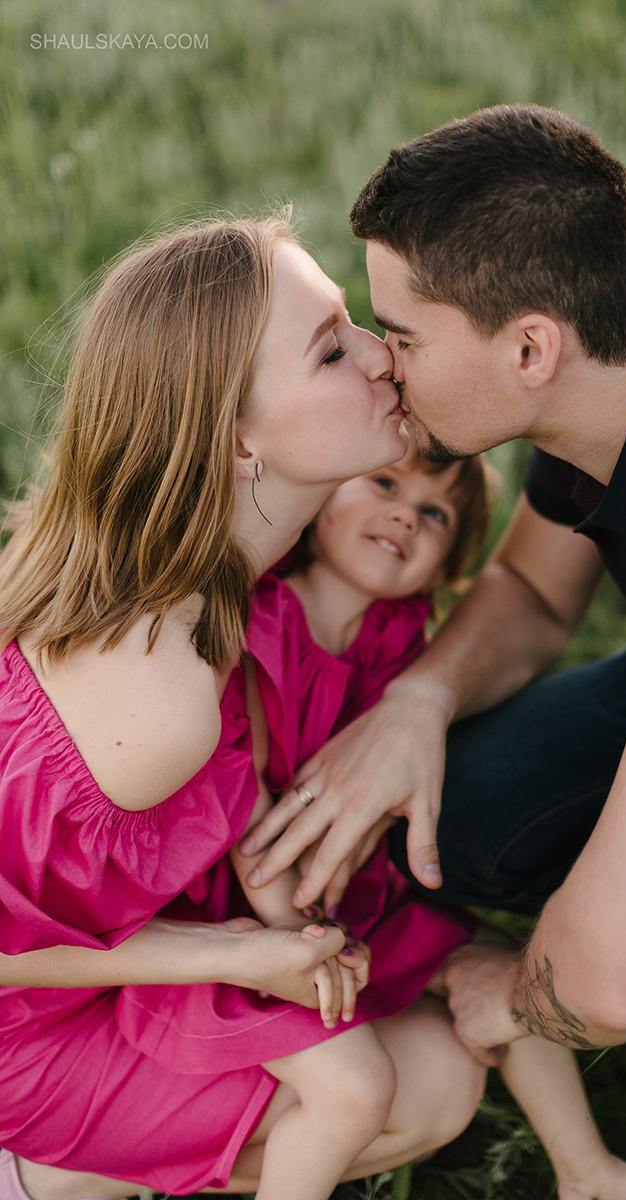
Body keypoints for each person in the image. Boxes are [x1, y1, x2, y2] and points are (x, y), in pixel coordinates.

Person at [239, 104, 626, 1200]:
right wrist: (417, 702)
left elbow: (622, 984)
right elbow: (537, 592)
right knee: (455, 806)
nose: (382, 364)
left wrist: (516, 993)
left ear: (529, 348)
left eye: (402, 335)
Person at [0, 216, 487, 1200]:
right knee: (406, 1089)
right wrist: (230, 952)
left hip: (88, 982)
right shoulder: (154, 698)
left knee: (426, 1073)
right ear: (236, 443)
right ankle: (33, 1175)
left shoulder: (218, 586)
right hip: (25, 1038)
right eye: (331, 351)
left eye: (352, 322)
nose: (380, 355)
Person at [230, 441, 626, 1200]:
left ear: (450, 564)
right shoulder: (261, 615)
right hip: (250, 894)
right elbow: (240, 800)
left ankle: (584, 1169)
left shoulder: (402, 639)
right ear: (319, 496)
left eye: (435, 515)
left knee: (489, 960)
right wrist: (297, 931)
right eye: (384, 482)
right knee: (342, 1054)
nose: (405, 517)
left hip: (351, 894)